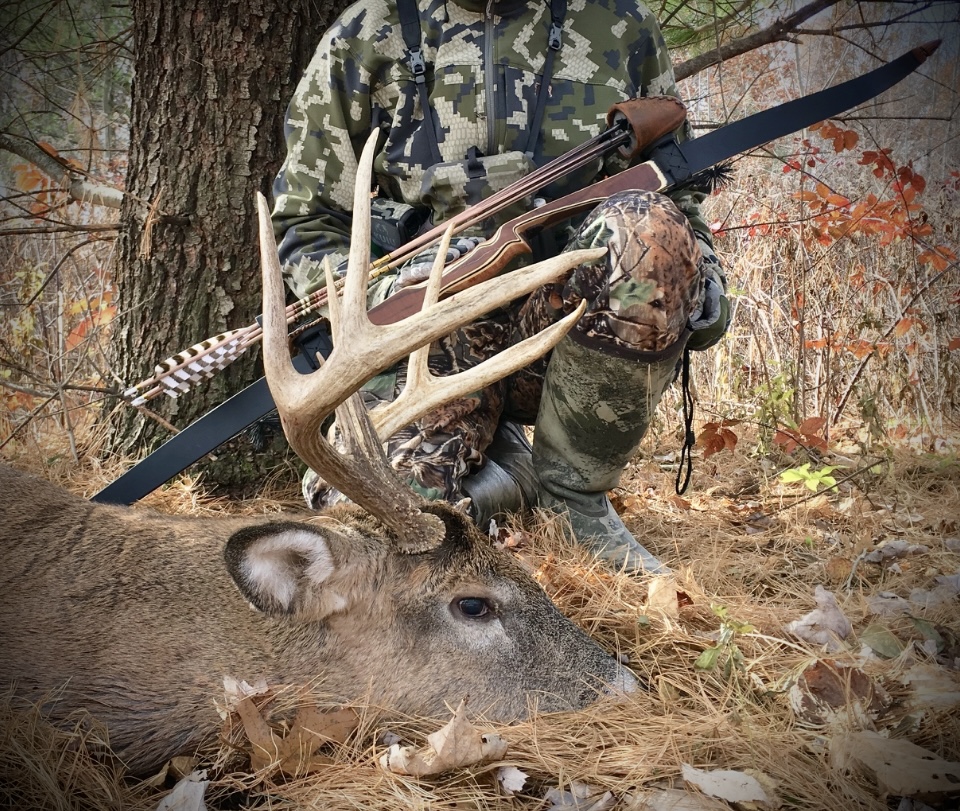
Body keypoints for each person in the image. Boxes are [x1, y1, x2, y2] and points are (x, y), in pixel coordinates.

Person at [271, 0, 729, 574]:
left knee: (648, 227)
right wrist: (391, 295)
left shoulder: (618, 21)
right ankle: (507, 476)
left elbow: (677, 187)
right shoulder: (367, 30)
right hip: (429, 342)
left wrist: (698, 272)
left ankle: (574, 498)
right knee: (380, 534)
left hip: (569, 328)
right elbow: (306, 223)